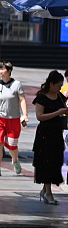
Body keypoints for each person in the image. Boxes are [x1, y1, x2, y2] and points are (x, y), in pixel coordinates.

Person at [32, 70, 68, 204]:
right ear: (51, 84)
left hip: (56, 133)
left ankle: (45, 191)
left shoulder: (59, 97)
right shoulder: (42, 98)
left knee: (55, 162)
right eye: (59, 85)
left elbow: (63, 110)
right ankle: (48, 193)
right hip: (44, 134)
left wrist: (64, 112)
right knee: (46, 162)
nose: (60, 88)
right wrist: (57, 112)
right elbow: (40, 117)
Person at [0, 62, 28, 177]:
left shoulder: (17, 84)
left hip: (13, 119)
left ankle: (15, 161)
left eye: (3, 69)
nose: (0, 72)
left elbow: (22, 100)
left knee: (12, 145)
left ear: (9, 71)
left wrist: (25, 115)